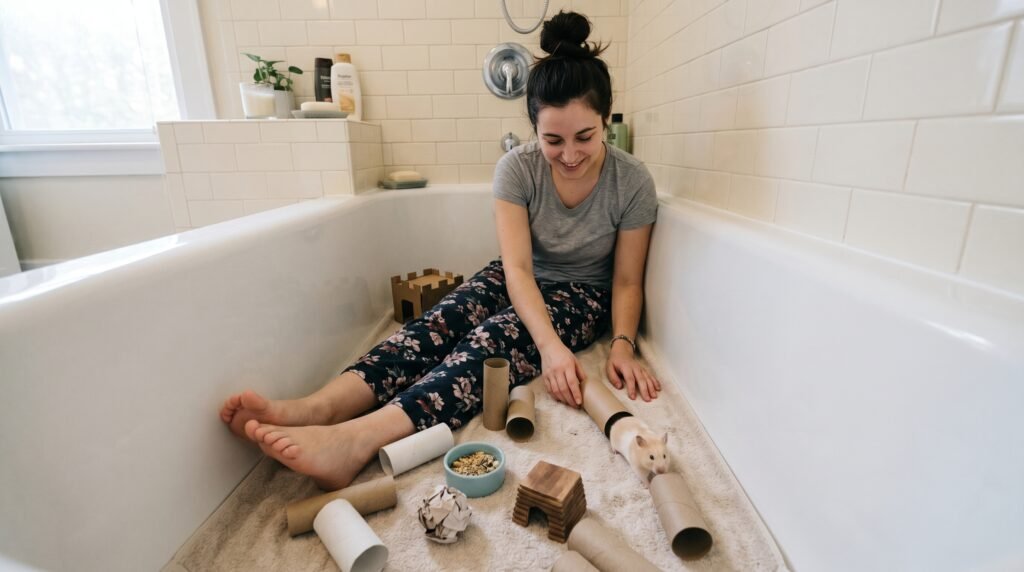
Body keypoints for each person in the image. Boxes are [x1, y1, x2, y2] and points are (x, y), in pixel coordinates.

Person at [219, 10, 661, 491]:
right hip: (520, 275)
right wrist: (549, 348)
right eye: (553, 140)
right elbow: (515, 268)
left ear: (606, 122)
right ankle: (320, 407)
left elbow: (626, 280)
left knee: (491, 344)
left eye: (586, 137)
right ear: (533, 127)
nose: (570, 154)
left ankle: (357, 440)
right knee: (439, 320)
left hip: (583, 295)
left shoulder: (631, 180)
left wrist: (621, 343)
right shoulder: (517, 168)